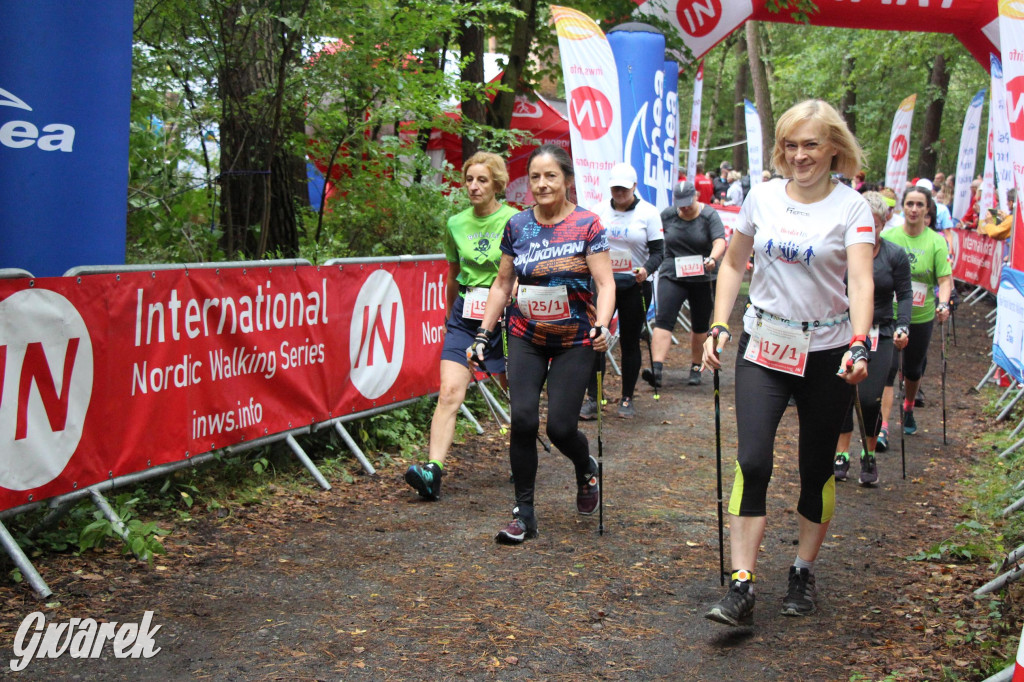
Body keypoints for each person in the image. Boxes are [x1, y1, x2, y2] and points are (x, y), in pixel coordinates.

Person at [702, 99, 874, 626]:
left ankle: (802, 569)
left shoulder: (852, 207)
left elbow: (862, 279)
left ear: (834, 149)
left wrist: (861, 341)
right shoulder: (763, 196)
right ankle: (742, 584)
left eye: (812, 145)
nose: (800, 156)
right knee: (752, 460)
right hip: (765, 345)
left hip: (827, 352)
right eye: (792, 145)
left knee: (815, 469)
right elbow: (734, 264)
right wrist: (720, 323)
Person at [468, 143, 615, 544]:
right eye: (535, 176)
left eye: (550, 176)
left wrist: (601, 325)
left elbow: (605, 282)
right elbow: (501, 284)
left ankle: (586, 468)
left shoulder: (588, 224)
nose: (542, 184)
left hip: (574, 339)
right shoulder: (517, 226)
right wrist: (483, 331)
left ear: (567, 180)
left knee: (562, 427)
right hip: (526, 336)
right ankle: (524, 514)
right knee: (524, 420)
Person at [405, 152, 519, 501]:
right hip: (465, 317)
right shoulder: (455, 223)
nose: (473, 186)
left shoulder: (515, 220)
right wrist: (447, 316)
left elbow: (520, 273)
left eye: (482, 180)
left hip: (506, 316)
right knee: (450, 393)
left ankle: (521, 456)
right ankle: (432, 472)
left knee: (516, 391)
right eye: (469, 179)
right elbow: (453, 274)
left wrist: (510, 300)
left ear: (497, 184)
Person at [833, 191, 912, 485]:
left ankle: (869, 453)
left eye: (874, 225)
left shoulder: (894, 255)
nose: (868, 230)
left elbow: (904, 294)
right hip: (843, 328)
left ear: (883, 223)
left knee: (868, 398)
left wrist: (904, 325)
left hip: (880, 332)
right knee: (842, 392)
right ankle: (841, 453)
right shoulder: (842, 251)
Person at [581, 162, 664, 419]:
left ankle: (627, 398)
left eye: (624, 189)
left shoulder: (649, 213)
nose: (619, 193)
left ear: (634, 187)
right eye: (615, 188)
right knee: (596, 337)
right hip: (604, 284)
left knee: (629, 341)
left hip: (634, 286)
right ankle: (594, 397)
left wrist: (646, 270)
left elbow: (659, 251)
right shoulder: (598, 211)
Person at [875, 184, 952, 449]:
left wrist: (944, 304)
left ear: (928, 208)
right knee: (887, 370)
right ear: (902, 207)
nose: (914, 209)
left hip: (921, 316)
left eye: (920, 204)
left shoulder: (935, 241)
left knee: (912, 369)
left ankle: (908, 405)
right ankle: (883, 427)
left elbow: (944, 279)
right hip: (889, 313)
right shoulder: (891, 236)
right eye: (910, 204)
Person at [642, 180, 726, 390]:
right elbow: (657, 239)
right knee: (664, 319)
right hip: (673, 271)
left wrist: (713, 258)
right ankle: (657, 369)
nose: (685, 207)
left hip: (702, 275)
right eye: (681, 204)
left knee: (699, 324)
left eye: (688, 202)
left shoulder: (709, 216)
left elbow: (720, 241)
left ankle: (696, 367)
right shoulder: (668, 215)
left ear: (696, 196)